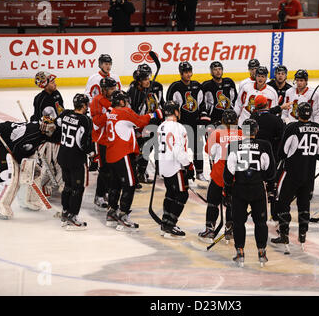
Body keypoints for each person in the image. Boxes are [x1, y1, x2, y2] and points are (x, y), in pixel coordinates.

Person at [271, 102, 319, 253]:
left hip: (291, 172)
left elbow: (282, 152)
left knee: (282, 202)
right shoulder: (318, 129)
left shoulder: (292, 128)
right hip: (309, 174)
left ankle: (284, 234)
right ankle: (302, 234)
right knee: (304, 203)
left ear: (298, 113)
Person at [104, 90, 162, 231]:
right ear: (122, 102)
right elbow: (141, 122)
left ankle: (112, 212)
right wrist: (156, 114)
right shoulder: (124, 112)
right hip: (122, 154)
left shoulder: (110, 114)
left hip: (111, 154)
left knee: (116, 184)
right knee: (130, 184)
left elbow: (130, 126)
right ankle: (123, 215)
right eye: (126, 101)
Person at [223, 118, 276, 267]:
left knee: (238, 222)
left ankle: (240, 252)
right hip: (258, 188)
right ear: (256, 131)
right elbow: (271, 172)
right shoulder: (265, 145)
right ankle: (261, 252)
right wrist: (261, 178)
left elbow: (228, 172)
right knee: (261, 222)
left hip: (239, 188)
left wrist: (228, 188)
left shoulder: (234, 145)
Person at [0, 118, 57, 219]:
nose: (52, 131)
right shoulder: (32, 134)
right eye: (50, 129)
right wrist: (22, 163)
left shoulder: (41, 133)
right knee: (6, 173)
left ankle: (25, 201)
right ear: (43, 128)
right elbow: (15, 149)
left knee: (22, 172)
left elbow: (28, 148)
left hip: (12, 141)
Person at [198, 109, 242, 244]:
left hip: (219, 173)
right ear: (236, 121)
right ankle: (230, 229)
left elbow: (208, 151)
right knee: (232, 203)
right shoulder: (242, 133)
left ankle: (210, 229)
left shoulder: (217, 133)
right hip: (236, 174)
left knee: (213, 202)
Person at [55, 94, 93, 230]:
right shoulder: (85, 120)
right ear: (83, 106)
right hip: (75, 159)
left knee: (68, 186)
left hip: (63, 156)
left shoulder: (65, 114)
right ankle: (73, 216)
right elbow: (83, 142)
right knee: (78, 188)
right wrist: (92, 153)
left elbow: (56, 124)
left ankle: (65, 212)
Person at [157, 101, 194, 239]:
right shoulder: (178, 127)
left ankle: (165, 222)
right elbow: (178, 150)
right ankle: (170, 224)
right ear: (176, 111)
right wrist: (188, 164)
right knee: (182, 194)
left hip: (164, 165)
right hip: (175, 166)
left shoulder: (161, 126)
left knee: (171, 193)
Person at [166, 61, 207, 181]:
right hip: (181, 124)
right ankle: (180, 171)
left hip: (195, 122)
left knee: (198, 148)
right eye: (185, 72)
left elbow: (202, 104)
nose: (188, 74)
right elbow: (168, 105)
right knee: (179, 148)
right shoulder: (175, 87)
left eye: (190, 72)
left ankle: (199, 172)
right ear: (180, 73)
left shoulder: (197, 86)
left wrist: (203, 115)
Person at [128, 63, 165, 185]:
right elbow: (131, 111)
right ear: (138, 81)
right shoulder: (133, 91)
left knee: (148, 147)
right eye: (144, 79)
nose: (147, 81)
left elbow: (161, 103)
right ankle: (133, 175)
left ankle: (141, 173)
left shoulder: (157, 87)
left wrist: (162, 114)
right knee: (137, 150)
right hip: (139, 124)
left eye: (148, 77)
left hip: (153, 123)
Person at [89, 76, 118, 211]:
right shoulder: (96, 101)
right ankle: (99, 195)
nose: (113, 91)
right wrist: (109, 114)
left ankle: (106, 192)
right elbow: (96, 121)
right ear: (104, 90)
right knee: (104, 169)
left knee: (112, 168)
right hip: (101, 140)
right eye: (111, 89)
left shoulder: (115, 99)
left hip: (112, 139)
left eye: (114, 88)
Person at [201, 61, 238, 125]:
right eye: (215, 70)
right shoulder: (206, 85)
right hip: (214, 118)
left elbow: (235, 98)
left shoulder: (229, 82)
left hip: (230, 118)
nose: (218, 71)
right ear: (211, 72)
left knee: (232, 134)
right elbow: (203, 103)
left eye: (220, 69)